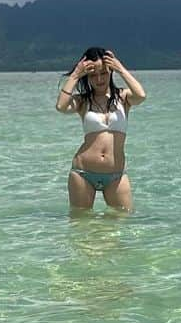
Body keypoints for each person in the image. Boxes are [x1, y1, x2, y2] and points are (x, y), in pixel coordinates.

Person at [55, 47, 146, 211]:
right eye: (93, 75)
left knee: (123, 222)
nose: (99, 79)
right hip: (83, 173)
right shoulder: (83, 101)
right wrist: (76, 74)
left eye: (103, 73)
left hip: (115, 175)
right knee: (81, 225)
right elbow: (61, 107)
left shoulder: (123, 97)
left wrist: (120, 69)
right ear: (87, 76)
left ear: (110, 71)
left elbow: (141, 95)